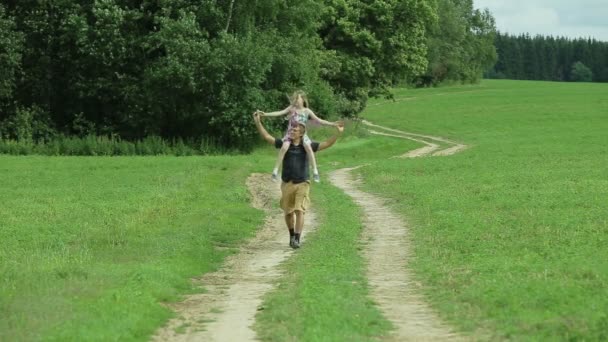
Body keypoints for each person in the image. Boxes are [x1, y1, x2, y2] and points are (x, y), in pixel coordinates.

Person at [253, 110, 344, 249]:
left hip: (302, 182)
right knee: (288, 212)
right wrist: (258, 122)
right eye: (291, 129)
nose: (291, 131)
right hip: (287, 183)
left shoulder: (308, 146)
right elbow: (267, 137)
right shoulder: (285, 144)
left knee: (299, 210)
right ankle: (291, 236)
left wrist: (338, 133)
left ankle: (297, 238)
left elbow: (327, 143)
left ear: (301, 133)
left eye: (294, 130)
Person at [258, 91, 340, 183]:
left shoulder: (307, 111)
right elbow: (279, 113)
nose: (296, 101)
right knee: (284, 147)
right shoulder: (292, 108)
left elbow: (319, 120)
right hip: (290, 134)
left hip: (302, 135)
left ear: (303, 100)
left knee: (308, 148)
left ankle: (315, 171)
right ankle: (275, 171)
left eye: (298, 98)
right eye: (295, 99)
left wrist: (332, 124)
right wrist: (265, 114)